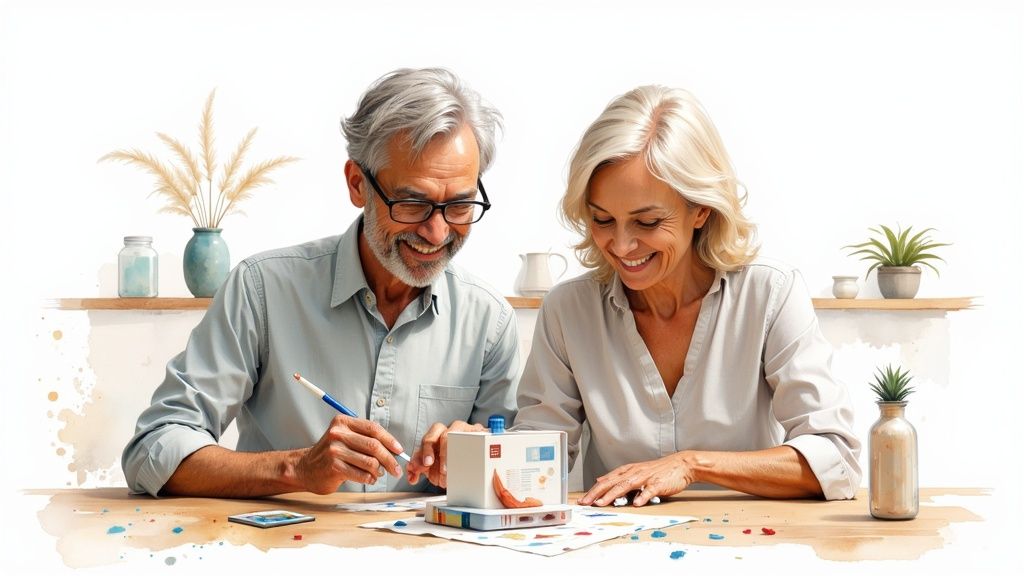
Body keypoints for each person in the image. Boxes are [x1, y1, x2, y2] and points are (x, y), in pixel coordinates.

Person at [122, 68, 521, 498]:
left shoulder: (489, 322)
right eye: (412, 204)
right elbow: (153, 449)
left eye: (460, 206)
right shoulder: (262, 292)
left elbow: (518, 482)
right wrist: (295, 468)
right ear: (356, 184)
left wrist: (481, 457)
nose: (438, 234)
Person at [513, 85, 861, 505]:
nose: (621, 246)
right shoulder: (569, 310)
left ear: (701, 209)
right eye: (603, 219)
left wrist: (692, 465)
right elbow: (533, 458)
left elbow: (835, 460)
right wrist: (473, 452)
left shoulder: (769, 294)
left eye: (647, 222)